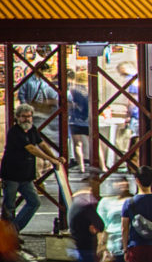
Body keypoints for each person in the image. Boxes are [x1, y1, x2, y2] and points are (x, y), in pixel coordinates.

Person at [0, 103, 63, 232]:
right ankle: (8, 235)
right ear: (18, 117)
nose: (27, 119)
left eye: (29, 116)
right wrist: (51, 159)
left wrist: (54, 158)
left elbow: (41, 144)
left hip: (25, 176)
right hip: (11, 175)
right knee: (9, 207)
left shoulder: (32, 129)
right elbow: (31, 148)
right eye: (24, 117)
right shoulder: (15, 132)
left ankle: (13, 231)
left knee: (34, 202)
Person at [67, 70, 89, 172]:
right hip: (89, 120)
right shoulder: (90, 91)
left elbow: (70, 103)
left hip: (75, 120)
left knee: (77, 144)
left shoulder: (73, 90)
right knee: (95, 144)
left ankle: (81, 167)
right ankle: (102, 166)